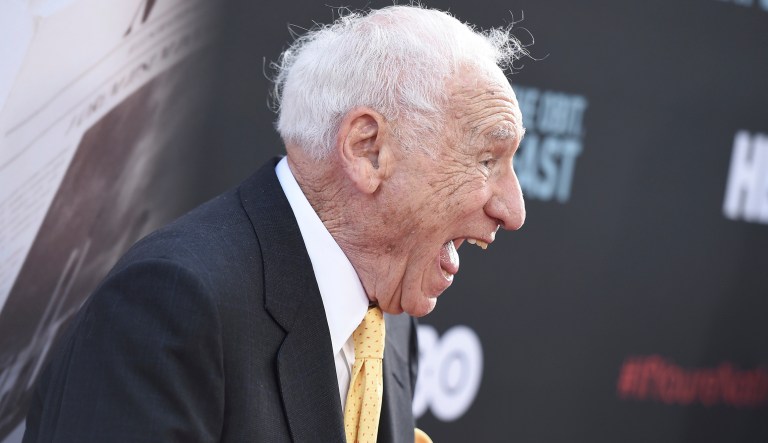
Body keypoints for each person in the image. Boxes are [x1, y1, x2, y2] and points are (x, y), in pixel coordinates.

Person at [23, 5, 527, 442]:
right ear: (367, 149)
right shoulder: (170, 307)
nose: (514, 209)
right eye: (486, 160)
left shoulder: (388, 324)